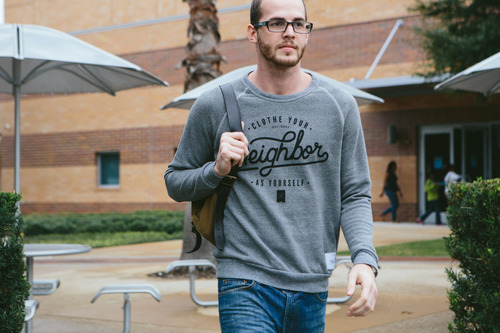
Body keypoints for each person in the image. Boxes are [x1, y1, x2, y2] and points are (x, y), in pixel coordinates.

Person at [165, 0, 378, 331]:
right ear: (253, 33)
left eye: (299, 24)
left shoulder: (340, 106)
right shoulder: (214, 104)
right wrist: (216, 169)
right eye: (276, 23)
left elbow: (354, 194)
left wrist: (364, 259)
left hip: (313, 283)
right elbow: (175, 182)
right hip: (243, 280)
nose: (290, 33)